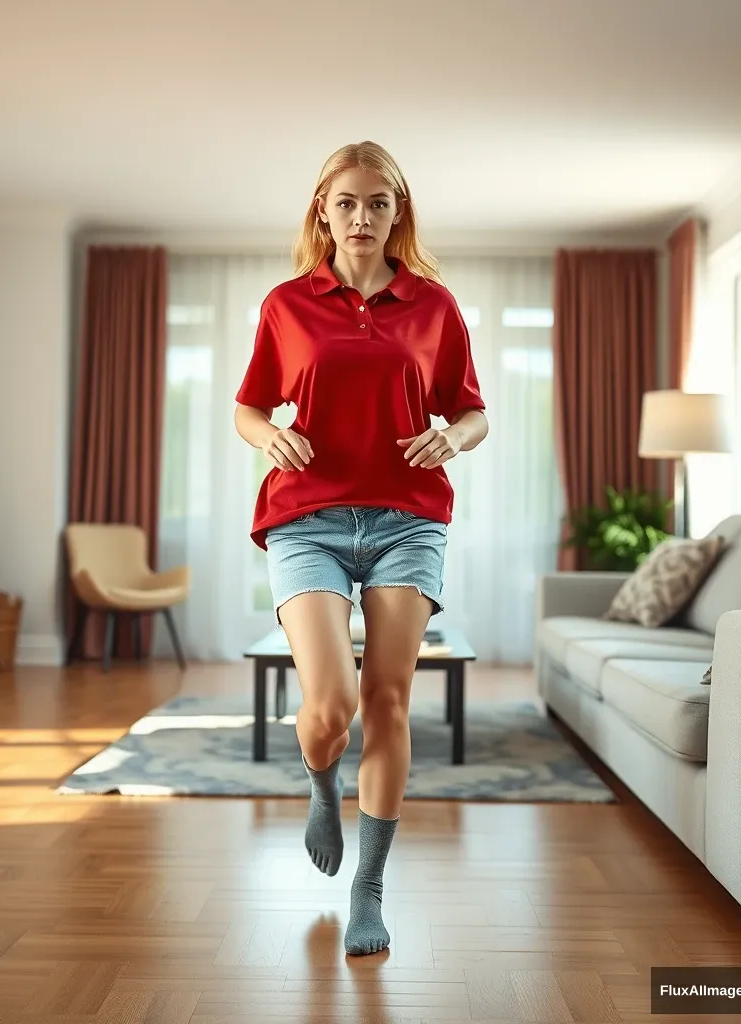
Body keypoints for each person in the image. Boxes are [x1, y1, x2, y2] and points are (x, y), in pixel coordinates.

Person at [233, 140, 488, 956]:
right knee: (331, 708)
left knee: (387, 702)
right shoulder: (286, 304)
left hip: (409, 520)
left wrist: (453, 439)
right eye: (347, 202)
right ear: (323, 210)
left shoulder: (434, 306)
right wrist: (268, 434)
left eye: (380, 202)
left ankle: (369, 888)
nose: (363, 217)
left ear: (398, 212)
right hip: (305, 518)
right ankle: (320, 782)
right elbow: (246, 407)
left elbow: (473, 410)